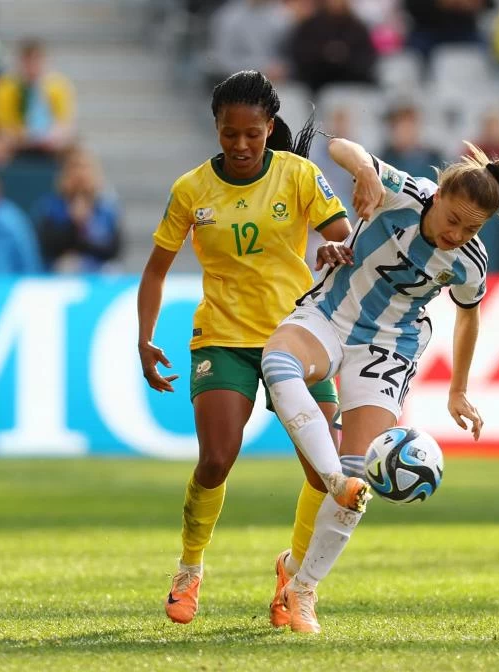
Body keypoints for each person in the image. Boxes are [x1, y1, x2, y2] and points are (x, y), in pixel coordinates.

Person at [260, 135, 499, 633]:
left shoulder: (470, 262)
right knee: (277, 362)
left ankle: (302, 588)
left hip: (388, 347)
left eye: (471, 227)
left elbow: (469, 318)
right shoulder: (406, 192)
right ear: (438, 196)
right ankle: (331, 479)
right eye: (453, 219)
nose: (457, 233)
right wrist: (365, 172)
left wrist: (458, 389)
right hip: (329, 315)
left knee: (359, 478)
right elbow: (344, 148)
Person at [136, 70, 353, 626]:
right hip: (224, 338)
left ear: (270, 128)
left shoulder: (299, 175)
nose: (239, 145)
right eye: (229, 133)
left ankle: (296, 578)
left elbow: (341, 234)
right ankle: (189, 570)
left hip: (297, 337)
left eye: (252, 134)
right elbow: (156, 269)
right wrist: (145, 336)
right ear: (216, 128)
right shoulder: (191, 189)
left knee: (320, 473)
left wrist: (336, 250)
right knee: (215, 459)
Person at [34, 147, 122, 272]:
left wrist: (85, 227)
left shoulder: (106, 207)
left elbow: (113, 248)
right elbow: (48, 245)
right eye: (75, 168)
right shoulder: (51, 206)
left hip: (99, 269)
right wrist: (73, 224)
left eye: (85, 168)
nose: (80, 174)